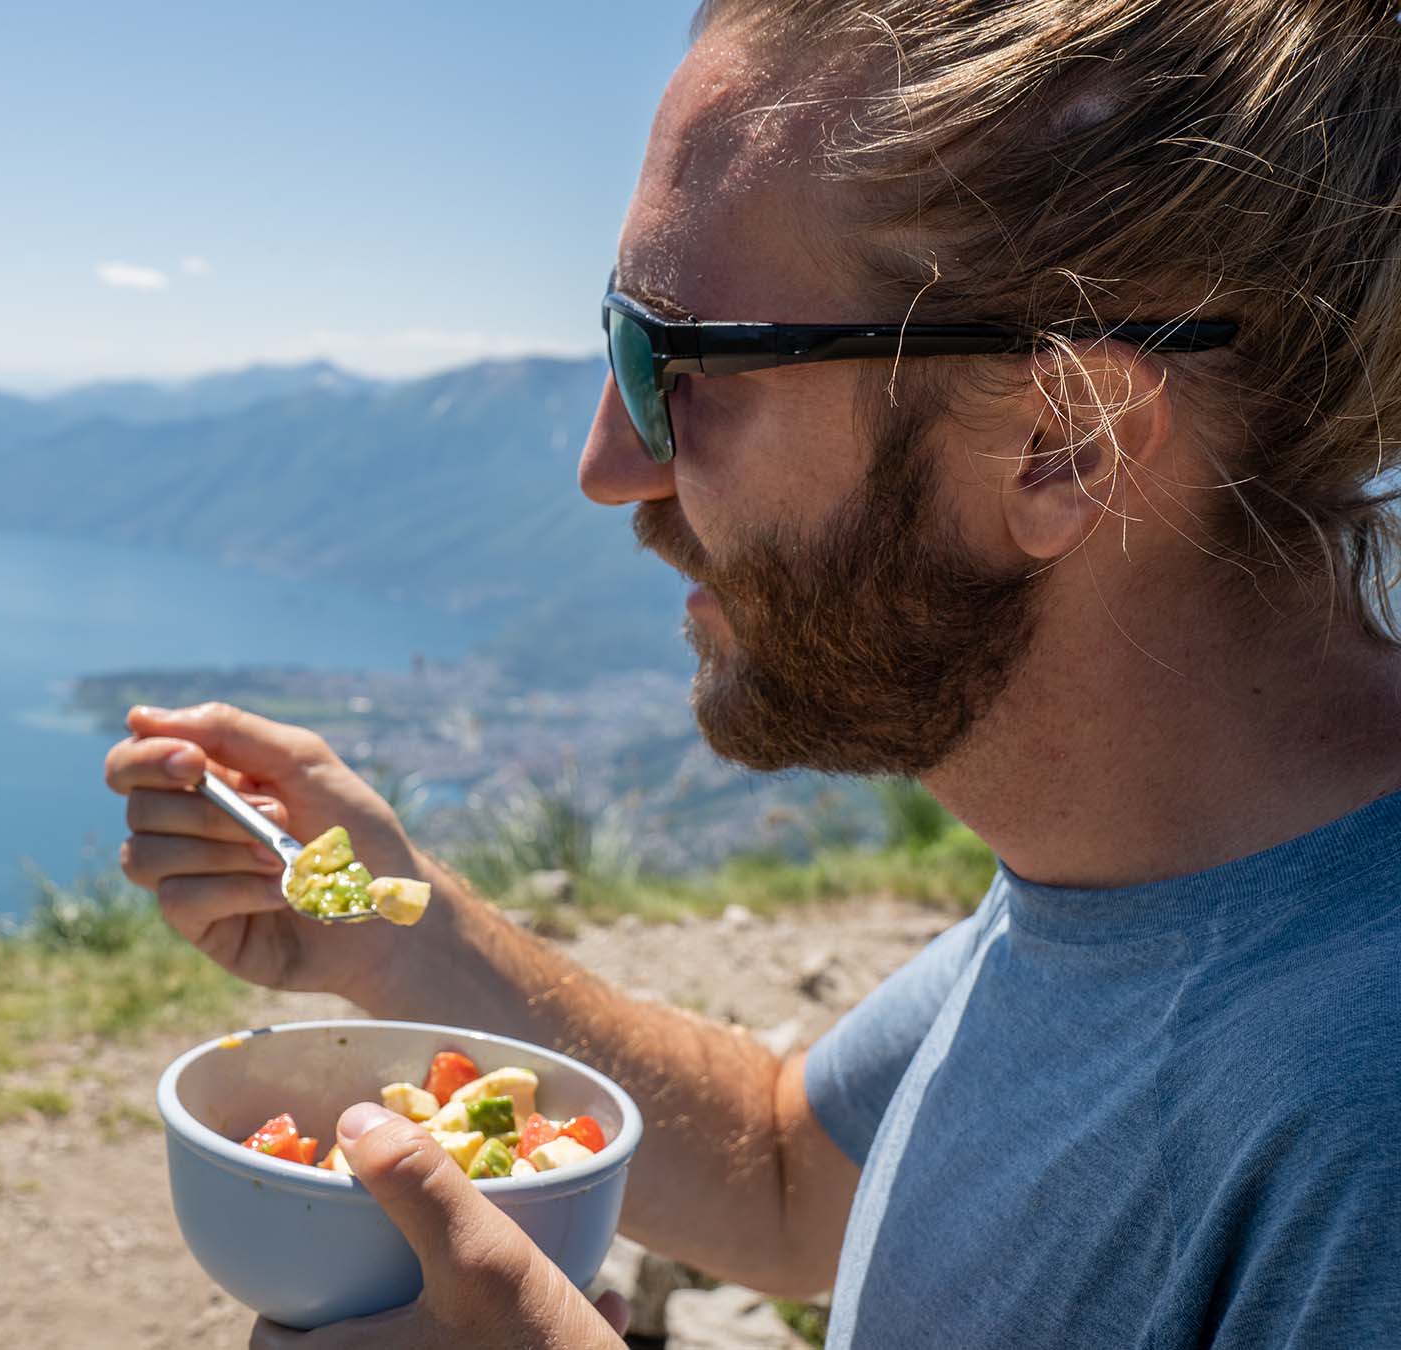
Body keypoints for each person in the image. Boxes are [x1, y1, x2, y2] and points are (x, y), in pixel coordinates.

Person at [104, 2, 1401, 1346]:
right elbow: (789, 1170)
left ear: (1059, 442)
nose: (608, 464)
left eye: (675, 359)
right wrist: (402, 931)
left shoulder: (1366, 1109)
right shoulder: (1139, 873)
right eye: (621, 338)